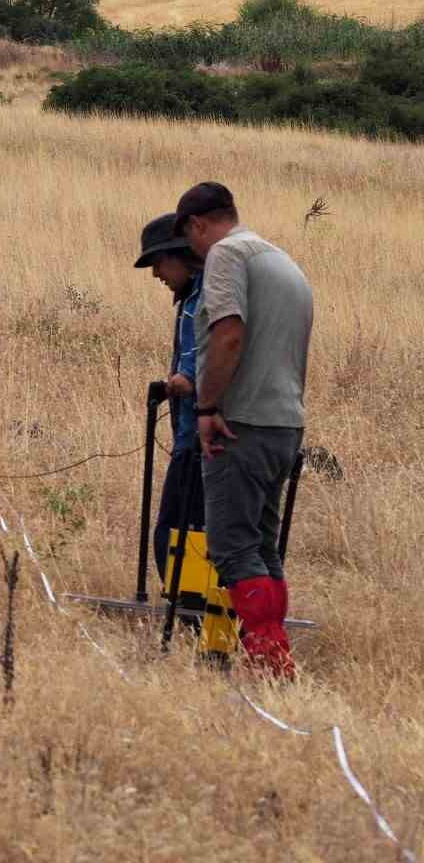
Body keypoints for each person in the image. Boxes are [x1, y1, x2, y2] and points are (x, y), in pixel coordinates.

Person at [175, 181, 312, 679]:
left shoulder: (226, 257)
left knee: (232, 547)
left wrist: (208, 406)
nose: (191, 251)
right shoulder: (281, 260)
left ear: (198, 225)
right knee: (262, 547)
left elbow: (228, 334)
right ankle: (275, 659)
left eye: (188, 239)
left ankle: (271, 662)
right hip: (284, 423)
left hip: (242, 423)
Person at [132, 212, 204, 583]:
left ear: (180, 257)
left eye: (158, 263)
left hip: (199, 438)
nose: (156, 274)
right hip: (193, 435)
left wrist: (175, 384)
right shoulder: (192, 297)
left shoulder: (204, 298)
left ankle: (193, 615)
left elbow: (197, 372)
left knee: (177, 535)